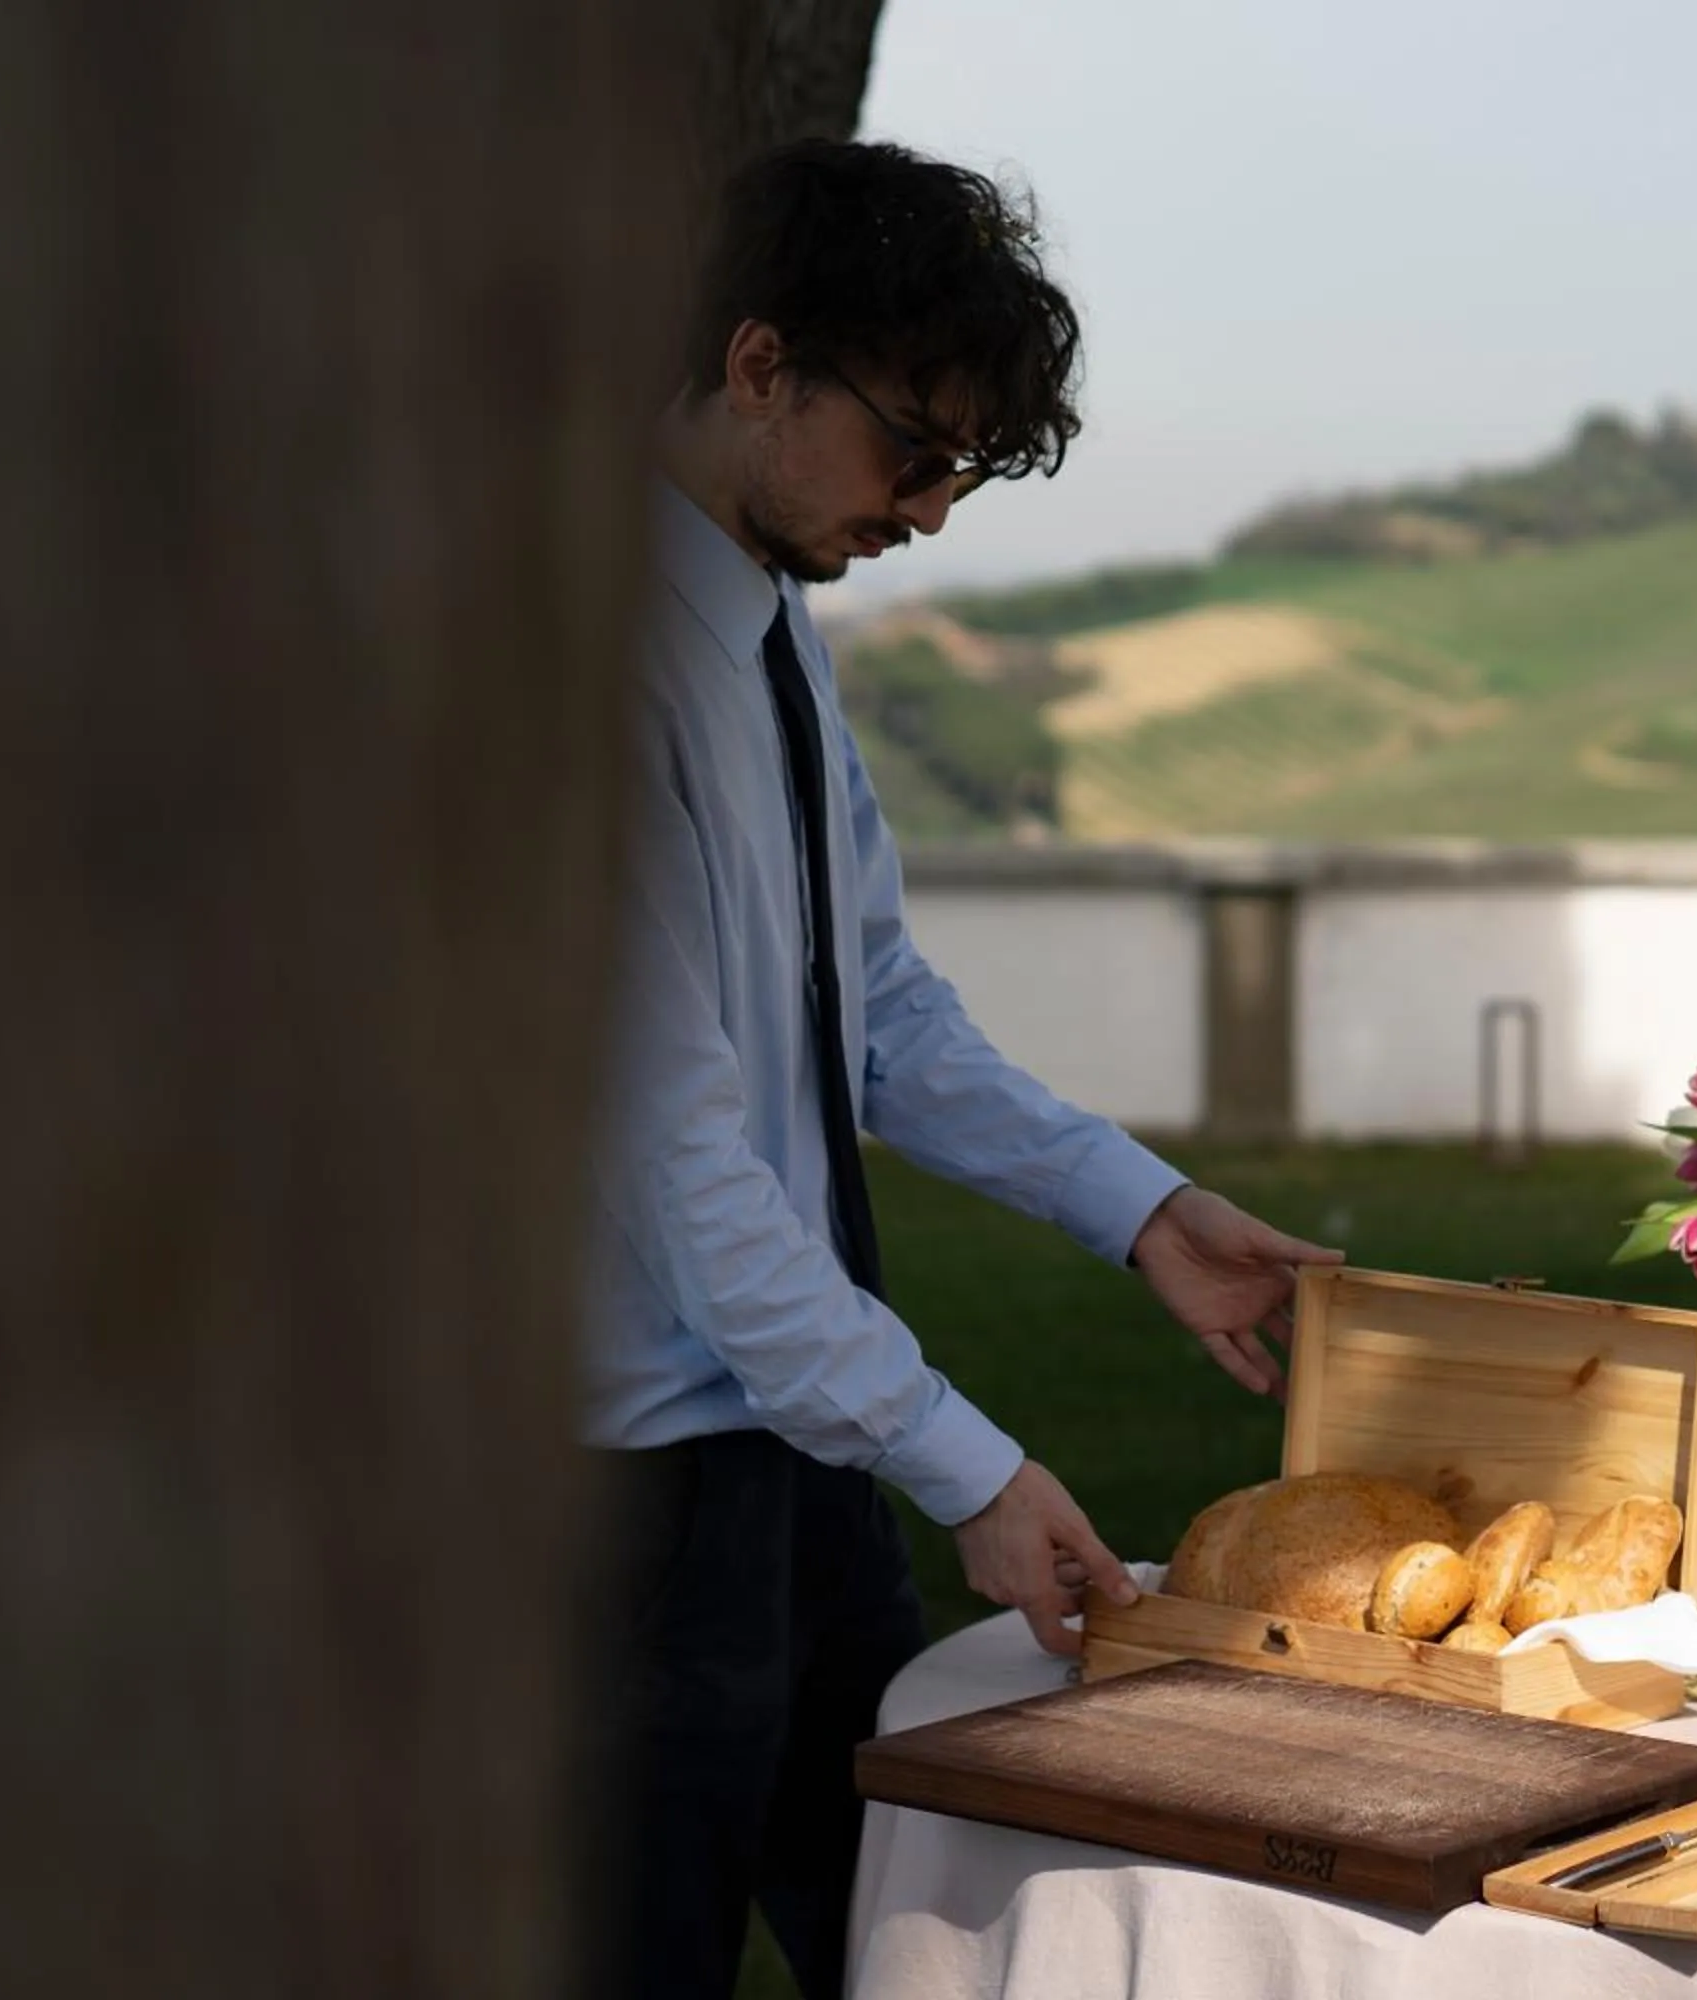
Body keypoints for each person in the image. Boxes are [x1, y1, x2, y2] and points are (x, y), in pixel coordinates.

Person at [581, 137, 1341, 2000]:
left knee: (913, 1938)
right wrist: (973, 1470)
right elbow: (683, 1174)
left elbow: (883, 1015)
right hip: (610, 1502)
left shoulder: (767, 623)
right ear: (762, 363)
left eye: (966, 471)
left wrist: (1141, 1209)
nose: (931, 511)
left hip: (786, 1443)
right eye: (916, 447)